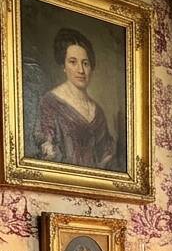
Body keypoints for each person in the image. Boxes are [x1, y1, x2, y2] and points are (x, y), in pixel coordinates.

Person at [32, 28, 116, 170]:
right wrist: (48, 149)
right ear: (63, 66)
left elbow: (106, 155)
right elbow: (45, 146)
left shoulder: (98, 111)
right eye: (73, 62)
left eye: (85, 63)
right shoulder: (50, 102)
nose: (81, 70)